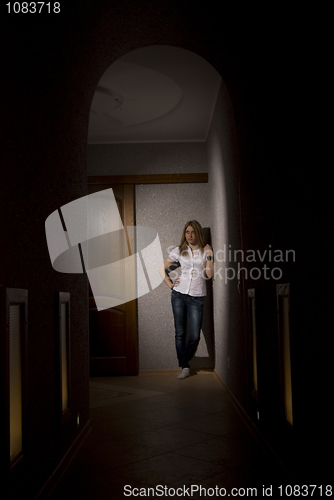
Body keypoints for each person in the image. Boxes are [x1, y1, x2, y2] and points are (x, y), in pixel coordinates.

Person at [160, 220, 214, 379]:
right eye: (187, 232)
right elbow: (160, 269)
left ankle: (183, 358)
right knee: (180, 333)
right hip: (179, 294)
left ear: (198, 233)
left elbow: (209, 275)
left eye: (193, 232)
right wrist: (170, 284)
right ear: (185, 234)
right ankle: (185, 366)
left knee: (194, 336)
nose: (190, 235)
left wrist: (209, 254)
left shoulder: (205, 251)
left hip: (197, 296)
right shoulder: (179, 250)